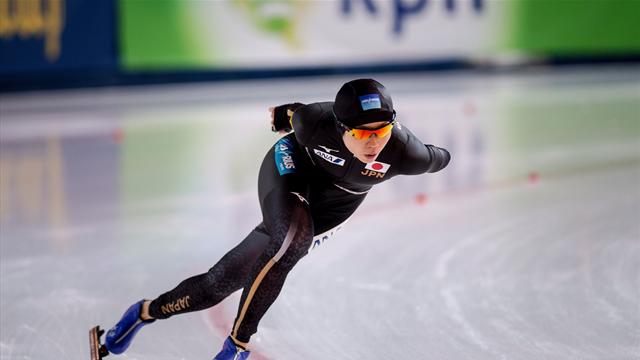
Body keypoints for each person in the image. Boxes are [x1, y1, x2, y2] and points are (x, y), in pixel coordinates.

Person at [99, 79, 450, 360]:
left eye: (381, 130)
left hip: (333, 207)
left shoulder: (406, 153)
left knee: (217, 284)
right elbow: (296, 113)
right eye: (360, 133)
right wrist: (284, 115)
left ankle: (141, 313)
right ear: (340, 126)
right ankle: (237, 347)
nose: (372, 142)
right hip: (291, 171)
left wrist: (435, 152)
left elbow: (440, 157)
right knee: (292, 240)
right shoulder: (315, 122)